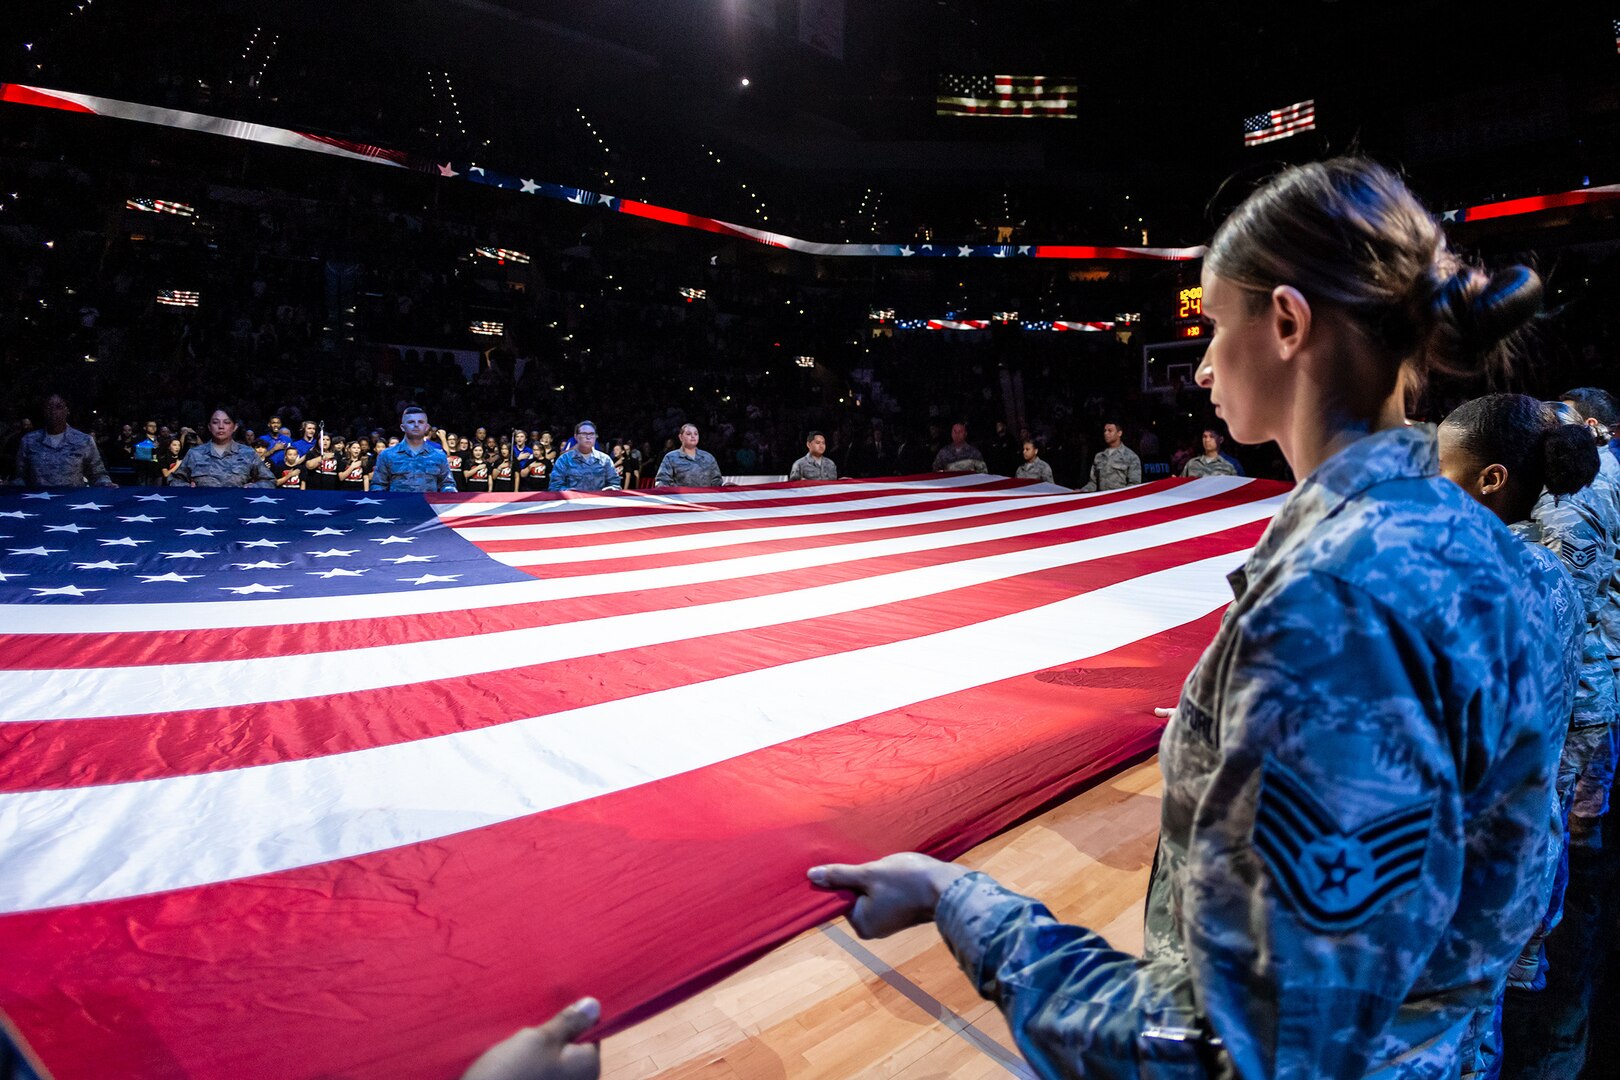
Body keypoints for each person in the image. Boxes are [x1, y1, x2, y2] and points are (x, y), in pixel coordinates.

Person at [807, 158, 1566, 1078]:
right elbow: (1518, 881)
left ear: (1286, 323)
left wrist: (965, 905)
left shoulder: (1336, 604)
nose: (1201, 364)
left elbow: (1228, 1053)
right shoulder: (1478, 542)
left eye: (1213, 323)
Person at [1437, 394, 1591, 1075]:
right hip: (1527, 844)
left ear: (1489, 479)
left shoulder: (1468, 576)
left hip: (1461, 863)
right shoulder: (1551, 573)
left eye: (1440, 468)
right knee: (1478, 1034)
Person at [12, 393, 116, 488]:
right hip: (37, 503)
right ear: (43, 411)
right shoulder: (29, 441)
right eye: (49, 407)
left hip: (72, 502)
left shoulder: (83, 440)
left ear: (67, 410)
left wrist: (106, 484)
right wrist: (8, 486)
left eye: (59, 407)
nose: (53, 412)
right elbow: (21, 477)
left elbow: (97, 474)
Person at [170, 407, 276, 488]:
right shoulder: (195, 453)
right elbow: (174, 480)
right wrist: (187, 488)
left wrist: (253, 487)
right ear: (209, 427)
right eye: (215, 422)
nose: (221, 426)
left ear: (235, 427)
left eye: (227, 422)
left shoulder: (248, 453)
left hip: (238, 510)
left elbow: (269, 481)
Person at [371, 406, 457, 493]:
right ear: (402, 427)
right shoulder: (387, 455)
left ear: (426, 427)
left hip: (427, 505)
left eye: (420, 422)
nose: (416, 425)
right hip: (398, 505)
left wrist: (450, 494)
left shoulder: (439, 455)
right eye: (411, 422)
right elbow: (378, 485)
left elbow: (447, 484)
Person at [548, 421, 620, 493]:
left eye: (591, 434)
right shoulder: (564, 459)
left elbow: (615, 484)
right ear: (576, 436)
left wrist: (612, 489)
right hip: (572, 502)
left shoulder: (605, 459)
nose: (588, 437)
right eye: (584, 434)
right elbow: (554, 486)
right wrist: (568, 492)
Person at [1078, 421, 1142, 491]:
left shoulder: (1131, 457)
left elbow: (1134, 485)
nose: (1106, 433)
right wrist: (1082, 491)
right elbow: (1093, 483)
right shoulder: (1099, 456)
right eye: (1105, 431)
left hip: (1120, 500)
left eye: (1110, 431)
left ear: (1119, 433)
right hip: (1102, 499)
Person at [654, 423, 724, 487]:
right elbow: (662, 481)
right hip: (681, 499)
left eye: (696, 434)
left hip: (705, 498)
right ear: (681, 437)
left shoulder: (708, 457)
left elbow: (717, 482)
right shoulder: (670, 457)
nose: (693, 436)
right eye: (688, 434)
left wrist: (726, 486)